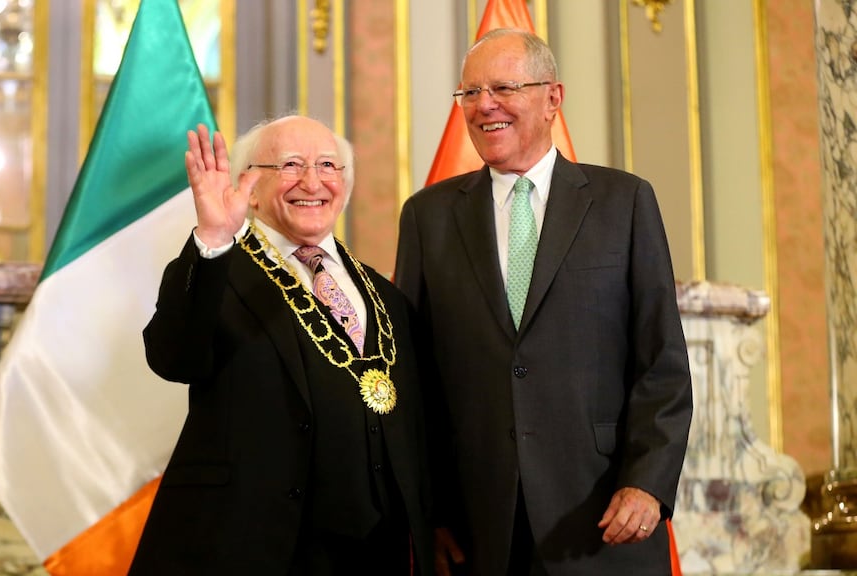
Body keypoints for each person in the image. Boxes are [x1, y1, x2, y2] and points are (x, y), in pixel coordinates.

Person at [394, 29, 693, 576]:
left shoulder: (624, 203)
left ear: (553, 97)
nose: (484, 105)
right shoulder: (427, 216)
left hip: (604, 517)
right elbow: (414, 384)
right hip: (475, 532)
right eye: (470, 93)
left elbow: (662, 365)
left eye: (503, 87)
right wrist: (427, 514)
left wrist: (647, 483)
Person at [129, 115, 433, 576]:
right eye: (290, 165)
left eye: (328, 165)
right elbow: (173, 357)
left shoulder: (385, 294)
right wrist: (213, 238)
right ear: (249, 186)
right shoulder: (218, 270)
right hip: (250, 547)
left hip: (375, 554)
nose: (313, 181)